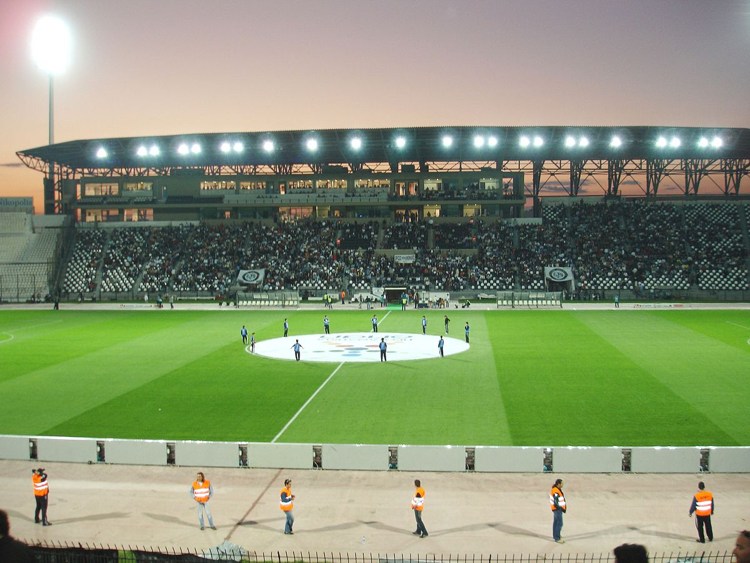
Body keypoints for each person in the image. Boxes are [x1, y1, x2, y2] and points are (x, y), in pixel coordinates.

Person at [550, 478, 566, 543]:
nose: (563, 485)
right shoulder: (555, 491)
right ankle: (557, 538)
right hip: (557, 509)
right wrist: (560, 507)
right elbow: (556, 500)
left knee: (556, 522)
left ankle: (556, 535)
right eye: (562, 483)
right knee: (559, 523)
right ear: (558, 484)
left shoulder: (556, 489)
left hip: (556, 509)